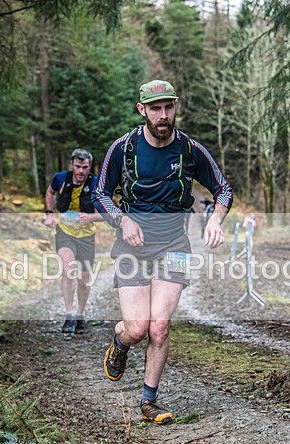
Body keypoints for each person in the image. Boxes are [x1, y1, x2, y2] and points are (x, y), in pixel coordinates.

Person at [92, 79, 233, 425]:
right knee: (137, 328)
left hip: (175, 245)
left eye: (168, 107)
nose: (163, 115)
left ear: (176, 107)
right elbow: (100, 193)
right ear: (142, 110)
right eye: (155, 108)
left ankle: (148, 401)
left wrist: (215, 220)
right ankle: (120, 341)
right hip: (132, 246)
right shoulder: (123, 149)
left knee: (159, 327)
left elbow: (223, 189)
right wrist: (122, 220)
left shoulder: (189, 150)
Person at [44, 149, 102, 334]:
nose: (81, 171)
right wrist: (49, 213)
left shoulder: (96, 184)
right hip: (65, 233)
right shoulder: (61, 178)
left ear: (89, 167)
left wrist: (91, 218)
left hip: (86, 237)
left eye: (85, 167)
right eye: (78, 166)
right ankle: (69, 314)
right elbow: (50, 192)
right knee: (68, 270)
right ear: (71, 164)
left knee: (84, 279)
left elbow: (110, 213)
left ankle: (80, 314)